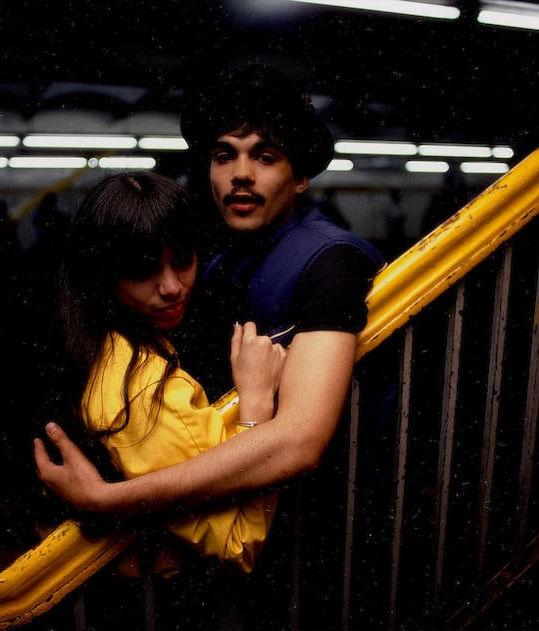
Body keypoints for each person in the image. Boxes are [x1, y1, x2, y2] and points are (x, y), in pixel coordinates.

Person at [35, 63, 387, 628]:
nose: (241, 174)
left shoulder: (330, 261)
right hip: (250, 531)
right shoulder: (218, 264)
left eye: (265, 156)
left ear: (299, 178)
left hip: (330, 523)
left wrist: (108, 500)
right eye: (224, 156)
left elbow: (298, 441)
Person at [44, 170, 288, 627]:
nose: (172, 286)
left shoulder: (95, 341)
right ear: (102, 274)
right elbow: (238, 545)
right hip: (167, 607)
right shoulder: (142, 389)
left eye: (183, 259)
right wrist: (257, 404)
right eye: (142, 269)